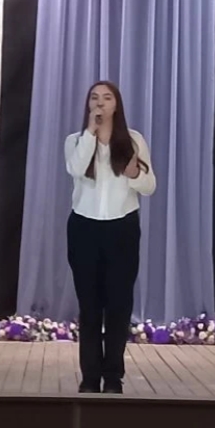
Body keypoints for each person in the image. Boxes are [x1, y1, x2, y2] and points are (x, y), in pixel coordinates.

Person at [65, 81, 156, 395]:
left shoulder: (133, 140)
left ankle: (113, 376)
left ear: (117, 104)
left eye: (107, 98)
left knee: (118, 304)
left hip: (122, 229)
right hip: (84, 228)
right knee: (89, 306)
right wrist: (91, 132)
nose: (100, 103)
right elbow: (76, 169)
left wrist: (135, 175)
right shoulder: (75, 140)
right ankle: (90, 377)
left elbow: (150, 186)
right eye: (94, 98)